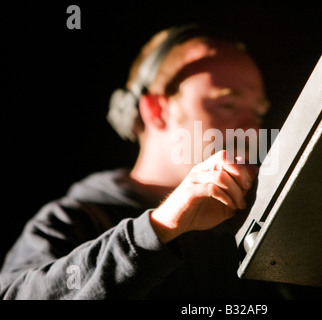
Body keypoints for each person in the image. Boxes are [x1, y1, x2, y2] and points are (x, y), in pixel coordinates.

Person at [0, 24, 282, 299]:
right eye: (228, 105)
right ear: (156, 110)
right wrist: (157, 229)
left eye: (257, 114)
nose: (252, 131)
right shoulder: (74, 220)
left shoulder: (250, 221)